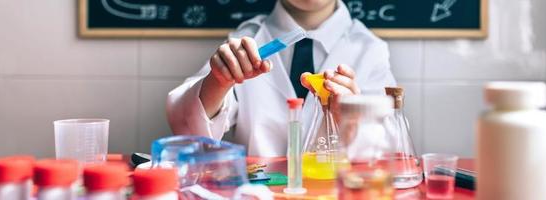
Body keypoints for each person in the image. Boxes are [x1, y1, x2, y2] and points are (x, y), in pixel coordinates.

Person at [166, 0, 396, 156]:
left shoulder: (370, 50)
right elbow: (186, 128)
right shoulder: (246, 40)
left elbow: (389, 151)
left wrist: (351, 122)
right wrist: (219, 81)